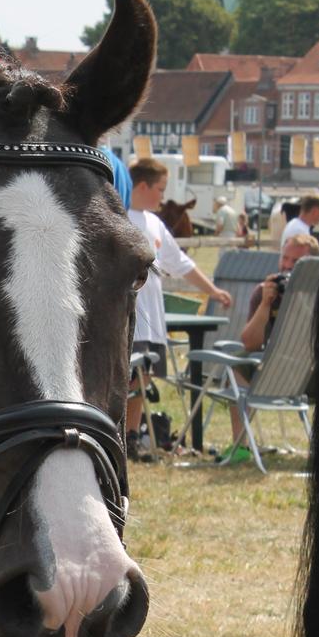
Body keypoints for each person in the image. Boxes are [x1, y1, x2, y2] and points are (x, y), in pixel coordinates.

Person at [125, 157, 231, 458]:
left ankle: (131, 436)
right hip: (129, 314)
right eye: (159, 188)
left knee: (142, 377)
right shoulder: (119, 214)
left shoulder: (154, 222)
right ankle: (117, 435)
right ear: (142, 185)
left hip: (150, 316)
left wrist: (212, 291)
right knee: (127, 376)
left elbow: (180, 263)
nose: (162, 195)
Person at [217, 233, 319, 462]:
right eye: (285, 259)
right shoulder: (266, 291)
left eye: (296, 263)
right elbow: (250, 343)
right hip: (276, 372)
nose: (287, 266)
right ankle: (241, 446)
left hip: (314, 375)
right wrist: (265, 304)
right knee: (238, 365)